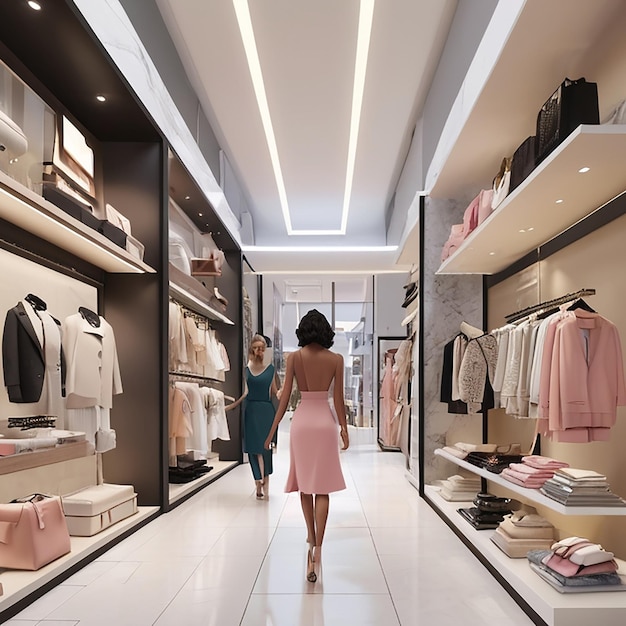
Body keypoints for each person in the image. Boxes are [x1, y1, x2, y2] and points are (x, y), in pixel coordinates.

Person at [264, 309, 349, 583]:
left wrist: (273, 429)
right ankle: (319, 551)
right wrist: (344, 428)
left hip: (302, 423)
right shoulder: (336, 359)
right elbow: (338, 400)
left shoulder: (295, 358)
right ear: (325, 332)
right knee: (322, 488)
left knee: (305, 487)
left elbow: (286, 395)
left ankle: (310, 539)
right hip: (324, 423)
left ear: (302, 331)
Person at [226, 334, 278, 499]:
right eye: (255, 348)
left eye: (261, 348)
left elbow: (276, 393)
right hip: (251, 411)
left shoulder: (270, 370)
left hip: (266, 412)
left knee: (266, 448)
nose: (258, 351)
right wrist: (232, 406)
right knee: (252, 449)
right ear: (251, 349)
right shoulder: (246, 370)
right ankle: (257, 482)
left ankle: (266, 481)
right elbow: (245, 394)